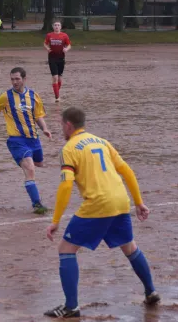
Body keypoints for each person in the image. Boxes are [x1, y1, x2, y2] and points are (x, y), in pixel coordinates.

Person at [44, 107, 160, 318]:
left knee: (66, 249)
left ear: (68, 125)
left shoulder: (69, 148)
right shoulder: (101, 141)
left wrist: (55, 220)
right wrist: (138, 202)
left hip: (98, 204)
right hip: (120, 200)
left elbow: (66, 186)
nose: (62, 128)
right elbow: (126, 170)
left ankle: (71, 307)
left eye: (62, 124)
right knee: (130, 247)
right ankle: (151, 291)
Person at [0, 67, 52, 214]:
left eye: (17, 79)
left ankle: (27, 166)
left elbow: (38, 116)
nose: (14, 82)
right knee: (30, 169)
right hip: (16, 140)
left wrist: (45, 128)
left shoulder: (34, 95)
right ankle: (37, 204)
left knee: (39, 163)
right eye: (12, 79)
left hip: (33, 139)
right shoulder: (5, 97)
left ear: (24, 79)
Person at [44, 21, 71, 102]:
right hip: (52, 58)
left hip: (61, 58)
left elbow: (69, 44)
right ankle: (57, 97)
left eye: (58, 25)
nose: (56, 26)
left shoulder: (64, 35)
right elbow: (45, 43)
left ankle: (56, 92)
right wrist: (47, 48)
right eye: (55, 25)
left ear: (60, 27)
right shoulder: (49, 35)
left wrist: (66, 49)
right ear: (53, 26)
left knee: (59, 78)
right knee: (55, 77)